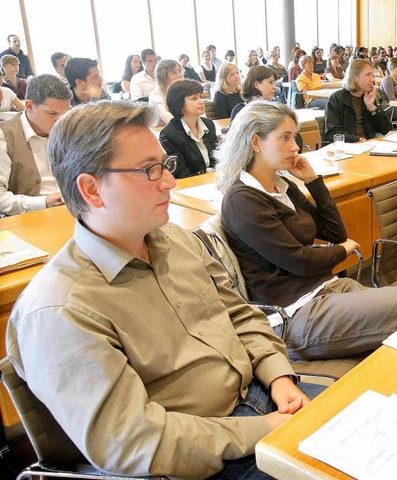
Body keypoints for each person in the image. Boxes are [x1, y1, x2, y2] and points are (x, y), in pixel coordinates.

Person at [7, 100, 323, 479]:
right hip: (197, 457)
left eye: (165, 164)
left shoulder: (173, 239)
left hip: (260, 398)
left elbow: (237, 313)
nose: (169, 181)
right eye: (148, 170)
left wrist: (278, 376)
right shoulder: (61, 310)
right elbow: (134, 442)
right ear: (91, 190)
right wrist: (264, 430)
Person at [217, 101, 397, 361]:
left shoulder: (282, 185)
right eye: (285, 137)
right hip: (296, 313)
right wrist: (342, 251)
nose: (295, 146)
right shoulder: (242, 199)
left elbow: (335, 232)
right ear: (256, 142)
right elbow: (300, 262)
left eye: (294, 137)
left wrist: (313, 181)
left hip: (328, 289)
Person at [0, 74, 70, 215]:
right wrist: (44, 202)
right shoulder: (5, 135)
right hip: (30, 217)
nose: (59, 121)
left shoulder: (69, 129)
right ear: (29, 106)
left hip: (72, 209)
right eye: (52, 113)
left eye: (64, 114)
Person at [159, 80, 217, 178]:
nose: (201, 102)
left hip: (214, 180)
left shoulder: (209, 124)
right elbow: (181, 174)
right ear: (179, 104)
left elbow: (217, 159)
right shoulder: (169, 135)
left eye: (200, 97)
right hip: (191, 186)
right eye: (194, 98)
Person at [325, 59, 392, 142]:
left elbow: (387, 130)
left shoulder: (368, 97)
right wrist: (357, 139)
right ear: (355, 78)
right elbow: (332, 133)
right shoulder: (337, 98)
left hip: (369, 144)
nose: (372, 79)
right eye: (368, 75)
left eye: (372, 75)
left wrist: (372, 108)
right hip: (348, 147)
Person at [148, 59, 184, 127]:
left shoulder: (183, 91)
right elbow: (170, 119)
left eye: (180, 71)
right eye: (174, 73)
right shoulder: (155, 96)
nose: (180, 75)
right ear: (163, 77)